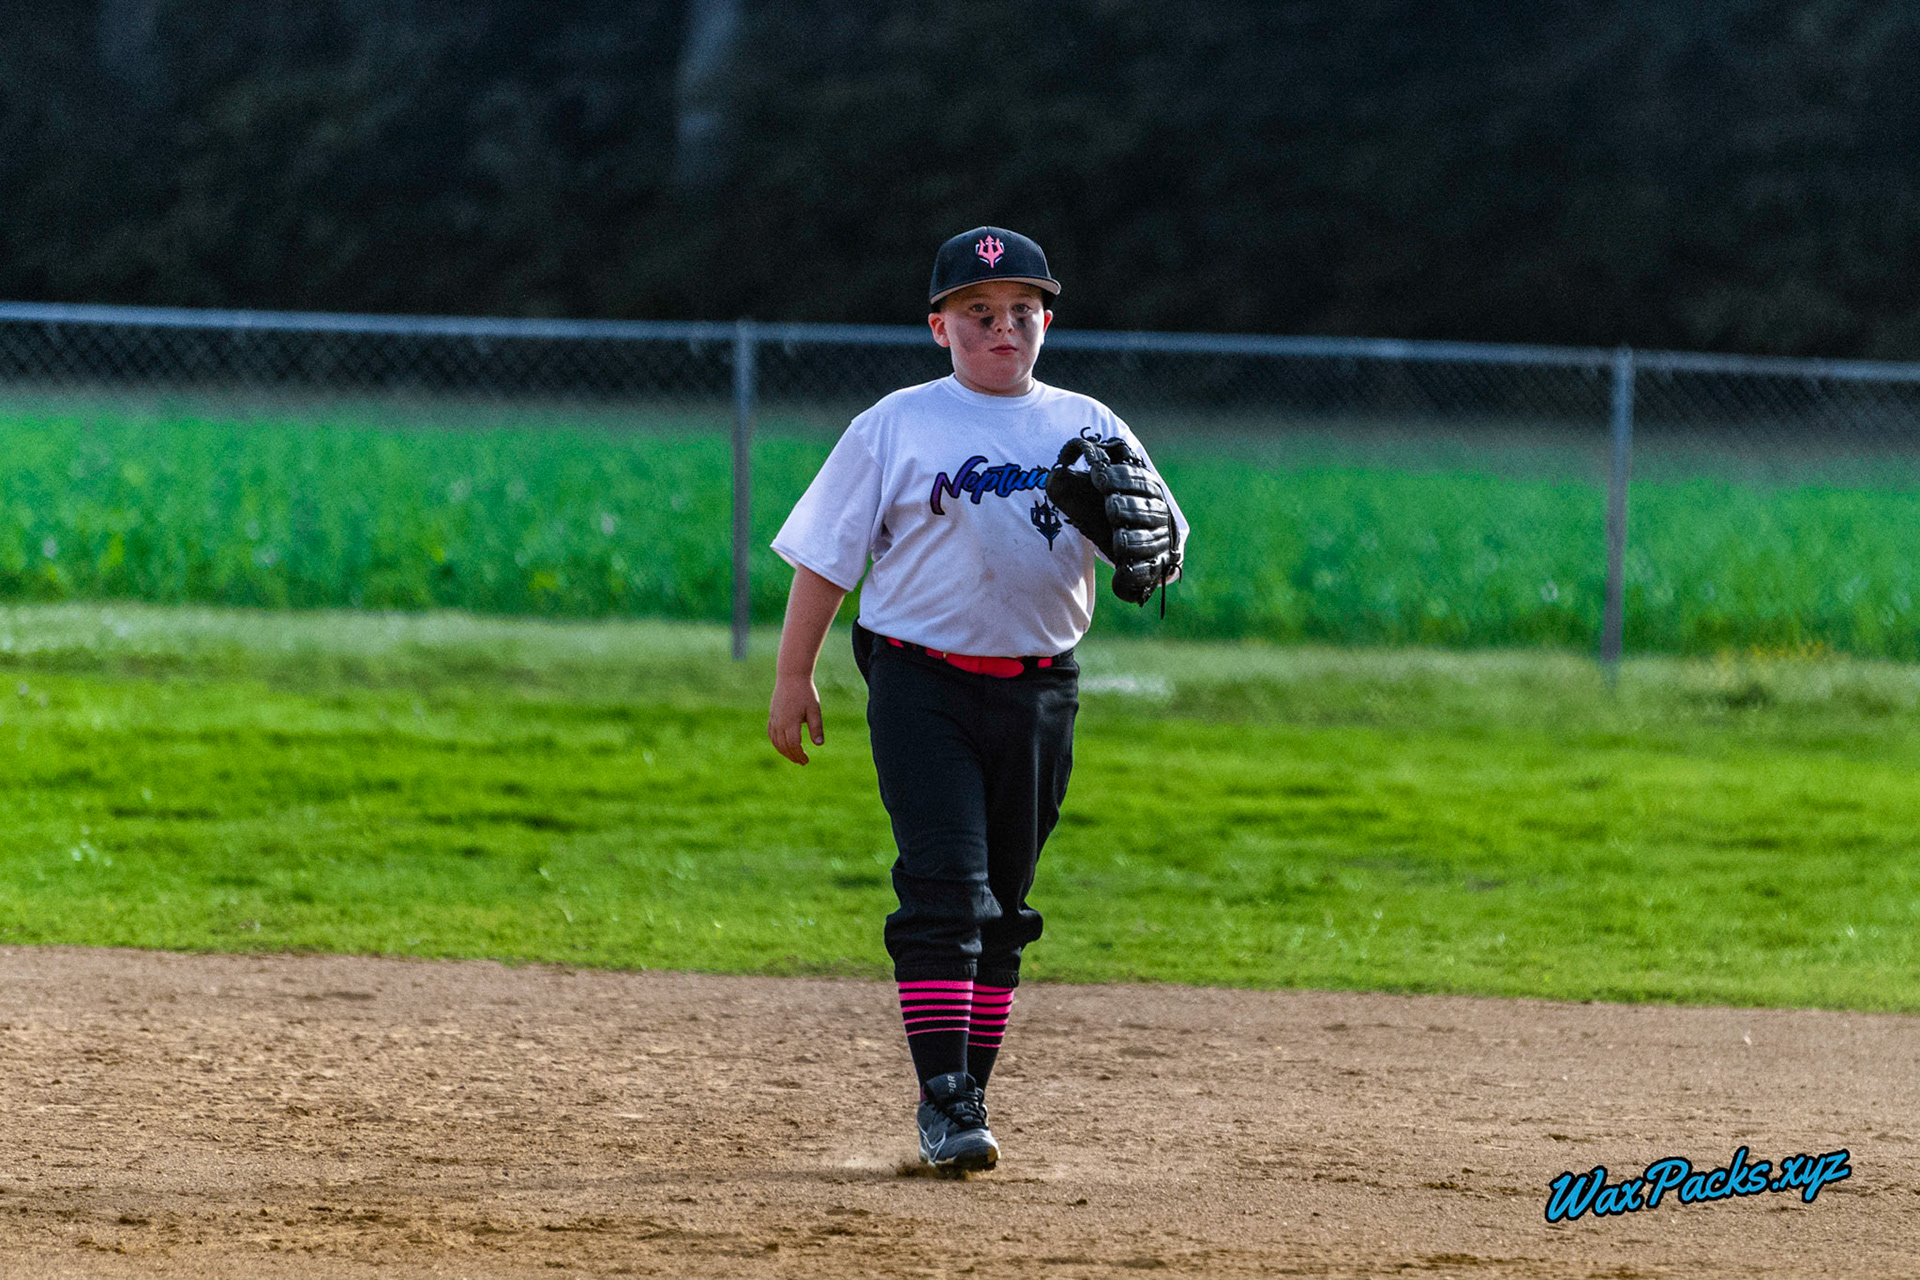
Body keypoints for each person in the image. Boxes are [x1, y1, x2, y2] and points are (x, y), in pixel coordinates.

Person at [766, 226, 1188, 1174]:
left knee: (1004, 906)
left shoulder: (1086, 422)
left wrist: (1147, 550)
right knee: (946, 887)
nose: (1005, 328)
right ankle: (946, 1096)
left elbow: (1162, 537)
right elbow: (826, 556)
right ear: (939, 327)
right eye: (979, 312)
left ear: (1047, 321)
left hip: (1041, 691)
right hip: (922, 682)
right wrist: (795, 674)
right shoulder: (900, 423)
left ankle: (964, 1096)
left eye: (1023, 311)